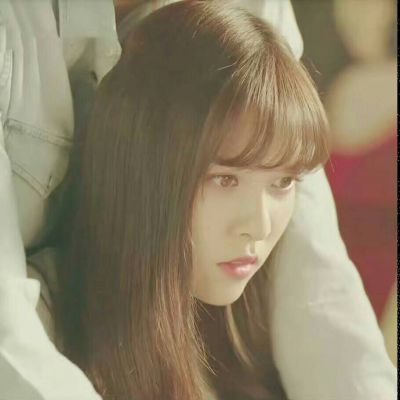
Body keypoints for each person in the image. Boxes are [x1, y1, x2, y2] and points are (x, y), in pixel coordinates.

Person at [0, 1, 396, 399]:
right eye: (225, 180)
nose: (258, 226)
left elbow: (316, 279)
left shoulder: (232, 338)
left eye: (283, 182)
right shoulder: (52, 324)